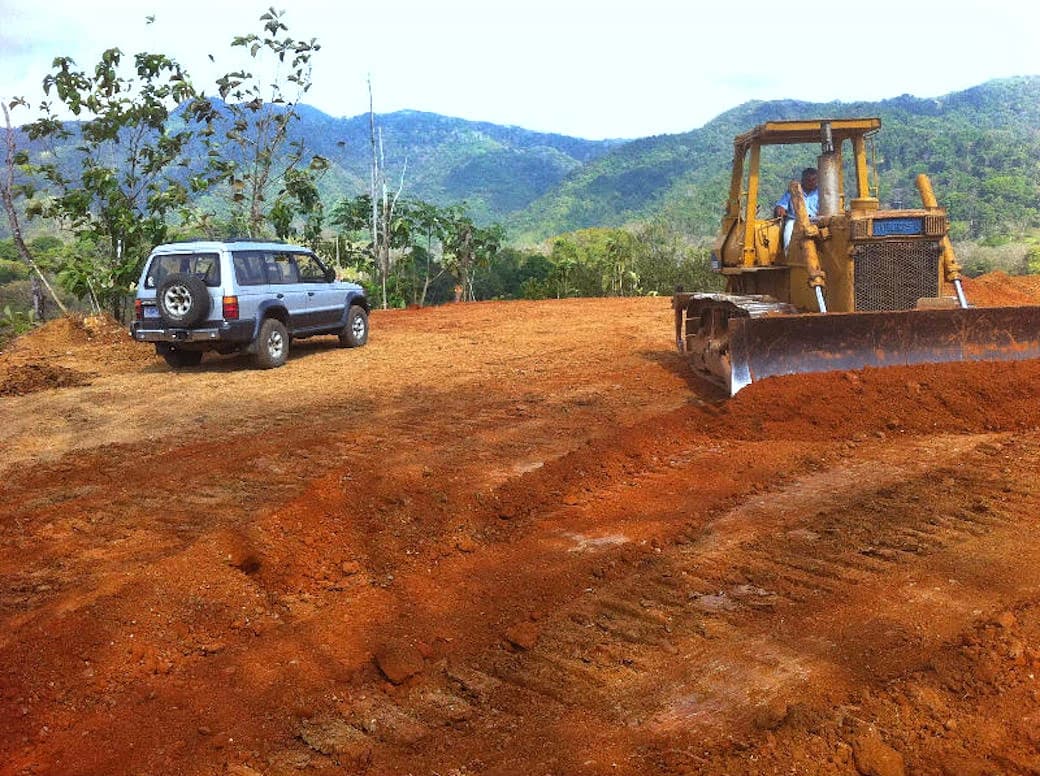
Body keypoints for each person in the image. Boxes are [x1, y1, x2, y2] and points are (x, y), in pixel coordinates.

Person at [774, 167, 819, 251]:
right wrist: (780, 208)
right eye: (808, 180)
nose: (811, 182)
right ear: (803, 180)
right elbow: (781, 205)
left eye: (813, 180)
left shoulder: (821, 192)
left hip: (815, 220)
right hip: (795, 220)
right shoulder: (793, 191)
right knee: (789, 237)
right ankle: (789, 257)